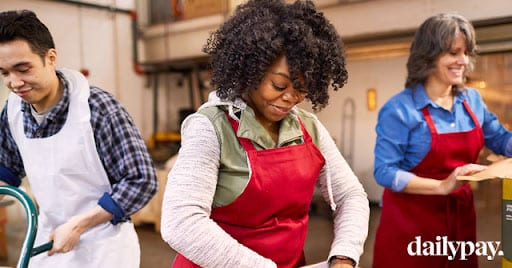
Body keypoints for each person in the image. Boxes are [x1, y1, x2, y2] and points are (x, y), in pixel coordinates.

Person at [160, 1, 369, 268]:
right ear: (251, 70)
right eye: (279, 85)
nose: (291, 98)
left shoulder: (309, 127)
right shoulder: (211, 126)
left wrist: (344, 255)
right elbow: (181, 222)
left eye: (302, 88)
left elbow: (350, 195)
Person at [0, 10, 158, 267]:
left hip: (104, 246)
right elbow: (6, 170)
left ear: (50, 58)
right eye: (4, 73)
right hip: (49, 240)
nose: (14, 82)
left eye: (23, 69)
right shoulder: (13, 111)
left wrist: (79, 225)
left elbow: (141, 180)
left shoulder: (98, 108)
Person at [373, 12, 512, 268]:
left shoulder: (471, 101)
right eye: (453, 53)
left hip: (460, 221)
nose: (463, 61)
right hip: (411, 227)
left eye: (466, 53)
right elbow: (384, 171)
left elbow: (501, 139)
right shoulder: (400, 110)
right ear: (428, 56)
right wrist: (441, 186)